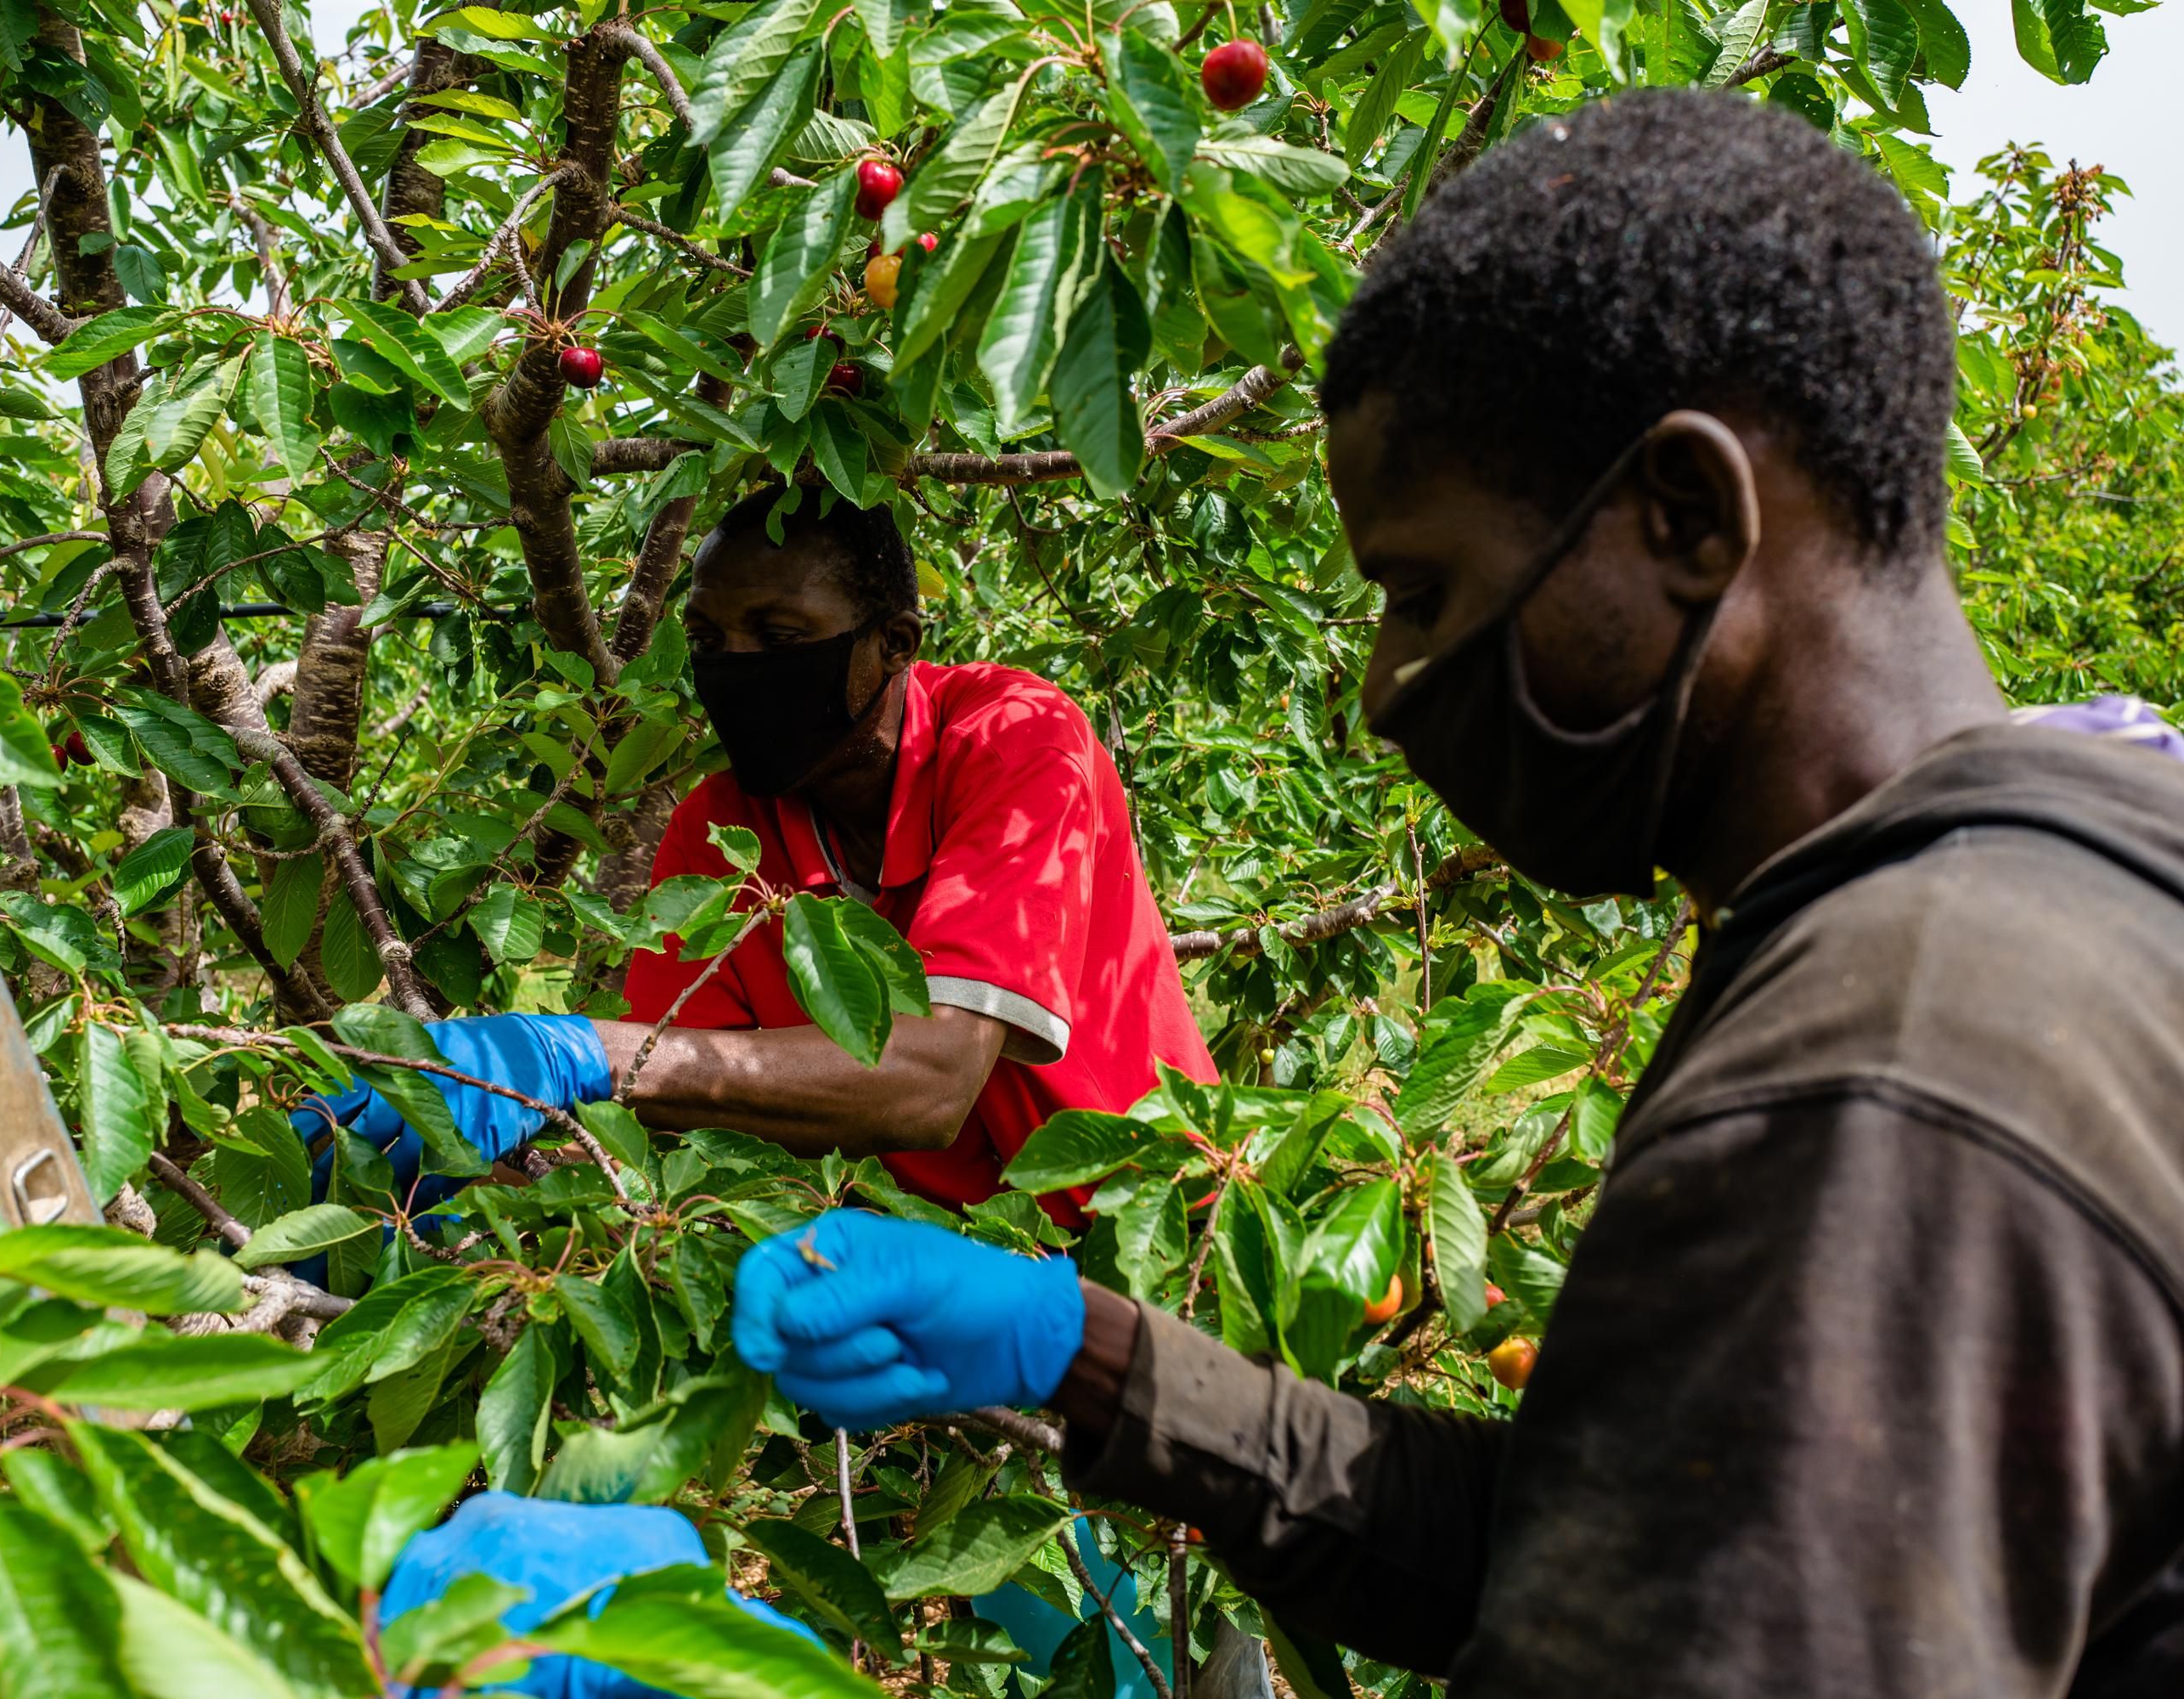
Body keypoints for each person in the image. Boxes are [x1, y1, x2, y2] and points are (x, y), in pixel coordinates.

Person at [725, 90, 2184, 1696]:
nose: (1381, 687)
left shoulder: (1888, 1068)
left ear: (1688, 518)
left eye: (1423, 593)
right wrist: (1084, 1355)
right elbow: (1633, 1537)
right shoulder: (2081, 865)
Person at [299, 483, 1216, 1227]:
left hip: (1157, 1249)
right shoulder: (720, 833)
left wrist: (568, 1053)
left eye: (778, 639)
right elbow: (680, 1114)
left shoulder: (1017, 738)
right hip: (928, 1283)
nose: (735, 668)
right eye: (708, 640)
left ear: (895, 644)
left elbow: (932, 1079)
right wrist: (461, 1182)